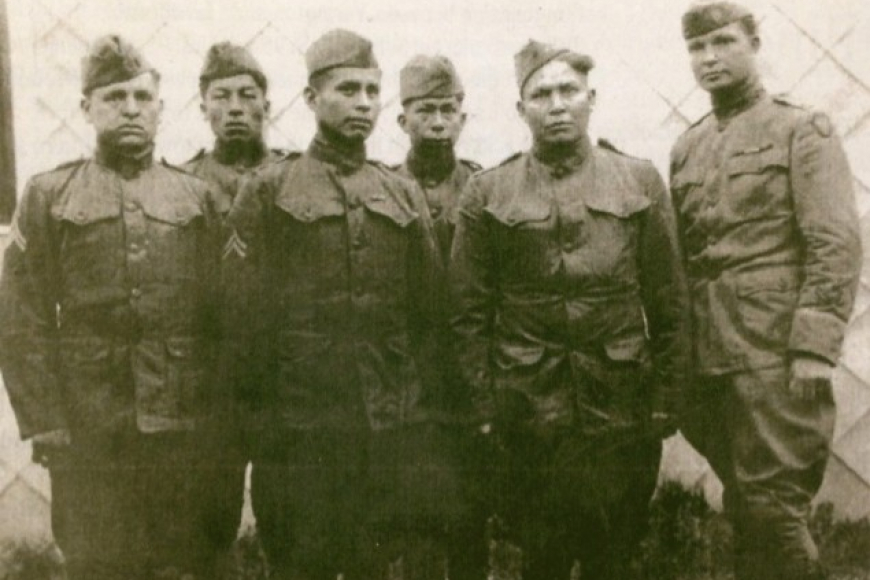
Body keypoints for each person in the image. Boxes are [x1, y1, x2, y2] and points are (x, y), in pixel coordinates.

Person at [226, 29, 479, 580]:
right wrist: (260, 426)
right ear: (313, 99)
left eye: (371, 90)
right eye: (347, 90)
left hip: (384, 431)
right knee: (303, 562)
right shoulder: (270, 189)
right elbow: (241, 322)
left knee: (374, 560)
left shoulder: (398, 192)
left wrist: (418, 418)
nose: (363, 103)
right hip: (300, 434)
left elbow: (430, 315)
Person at [450, 39, 688, 580]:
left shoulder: (639, 181)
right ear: (521, 109)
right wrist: (484, 408)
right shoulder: (488, 193)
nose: (556, 105)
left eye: (568, 91)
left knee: (614, 556)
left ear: (591, 98)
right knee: (543, 557)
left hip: (621, 410)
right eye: (541, 94)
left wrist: (666, 398)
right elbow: (467, 313)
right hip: (530, 415)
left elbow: (669, 300)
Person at [0, 35, 220, 580]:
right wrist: (45, 420)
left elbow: (223, 317)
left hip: (179, 424)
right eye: (114, 97)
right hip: (88, 425)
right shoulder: (50, 195)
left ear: (160, 108)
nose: (130, 110)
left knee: (180, 561)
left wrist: (216, 418)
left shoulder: (195, 197)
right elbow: (19, 315)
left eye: (142, 98)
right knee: (98, 562)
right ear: (87, 108)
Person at [670, 3, 862, 579]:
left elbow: (834, 242)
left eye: (724, 43)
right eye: (698, 49)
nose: (710, 58)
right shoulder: (688, 147)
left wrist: (813, 347)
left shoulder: (801, 129)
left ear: (755, 43)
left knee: (775, 509)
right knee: (745, 505)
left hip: (774, 355)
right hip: (710, 358)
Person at [181, 41, 284, 567]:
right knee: (210, 516)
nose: (237, 107)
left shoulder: (295, 180)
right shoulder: (180, 185)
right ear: (203, 107)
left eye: (249, 95)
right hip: (212, 378)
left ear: (268, 104)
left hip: (285, 377)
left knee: (290, 511)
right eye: (222, 96)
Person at [393, 55, 481, 262]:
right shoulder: (384, 189)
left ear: (462, 120)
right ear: (403, 122)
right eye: (426, 110)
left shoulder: (481, 187)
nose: (439, 123)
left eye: (448, 110)